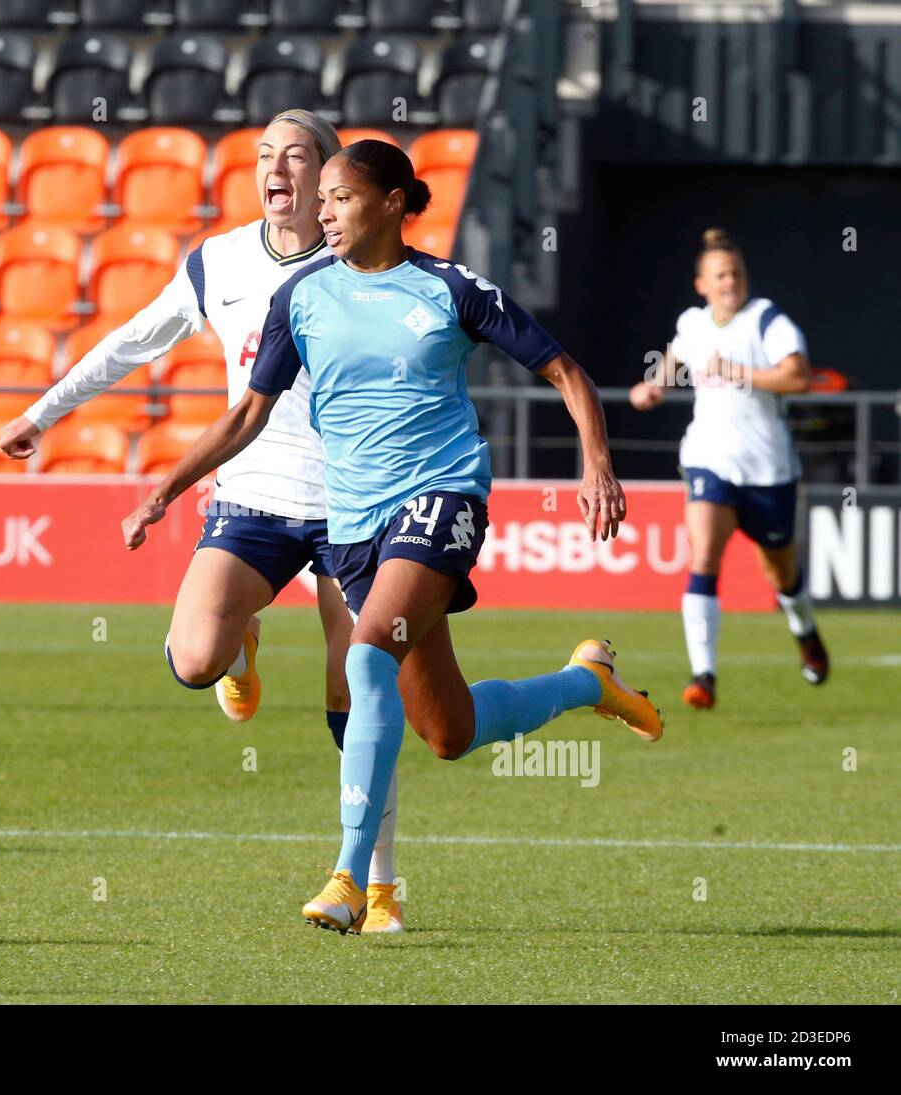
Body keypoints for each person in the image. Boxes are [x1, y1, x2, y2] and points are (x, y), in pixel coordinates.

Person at [122, 140, 663, 934]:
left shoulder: (449, 288)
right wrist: (166, 488)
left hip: (443, 500)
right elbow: (248, 413)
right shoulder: (302, 297)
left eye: (339, 198)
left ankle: (350, 877)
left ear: (389, 203)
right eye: (324, 200)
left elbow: (564, 372)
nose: (323, 212)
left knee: (366, 654)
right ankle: (590, 682)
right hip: (356, 526)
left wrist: (598, 465)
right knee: (449, 731)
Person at [0, 112, 406, 932]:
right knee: (192, 659)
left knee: (355, 693)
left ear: (331, 177)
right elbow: (129, 342)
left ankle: (377, 885)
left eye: (295, 155)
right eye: (263, 155)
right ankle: (240, 643)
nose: (275, 168)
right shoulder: (218, 262)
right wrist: (43, 414)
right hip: (253, 495)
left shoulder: (365, 265)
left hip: (354, 504)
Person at [629, 228, 828, 709]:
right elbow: (679, 352)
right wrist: (654, 384)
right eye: (720, 275)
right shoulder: (693, 323)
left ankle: (804, 630)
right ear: (702, 285)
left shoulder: (766, 319)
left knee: (780, 573)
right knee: (703, 557)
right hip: (708, 459)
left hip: (768, 469)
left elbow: (799, 377)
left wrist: (740, 372)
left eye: (736, 273)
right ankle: (704, 675)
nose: (730, 281)